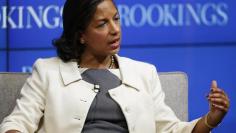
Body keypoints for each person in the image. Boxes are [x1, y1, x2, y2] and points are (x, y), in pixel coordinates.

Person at [0, 0, 230, 133]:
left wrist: (211, 119)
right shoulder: (47, 71)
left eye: (116, 19)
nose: (115, 29)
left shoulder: (144, 72)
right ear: (81, 35)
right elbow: (17, 122)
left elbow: (169, 130)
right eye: (102, 24)